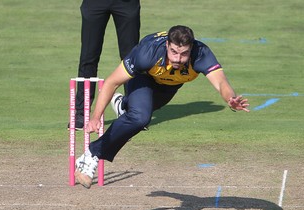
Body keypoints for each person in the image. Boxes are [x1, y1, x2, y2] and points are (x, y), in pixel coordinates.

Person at [75, 25, 250, 188]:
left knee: (138, 113)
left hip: (170, 85)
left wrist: (230, 98)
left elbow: (220, 82)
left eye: (184, 54)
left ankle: (123, 106)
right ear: (167, 45)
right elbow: (111, 83)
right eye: (174, 52)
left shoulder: (201, 53)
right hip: (143, 77)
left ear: (191, 49)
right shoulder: (146, 53)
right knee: (140, 118)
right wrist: (96, 117)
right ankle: (91, 155)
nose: (178, 59)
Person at [71, 0, 141, 130]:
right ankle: (81, 113)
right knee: (88, 56)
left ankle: (134, 112)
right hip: (95, 3)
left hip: (126, 3)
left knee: (131, 58)